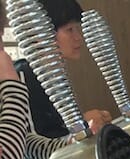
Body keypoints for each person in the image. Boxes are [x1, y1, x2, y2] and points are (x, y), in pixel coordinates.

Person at [14, 0, 111, 138]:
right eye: (70, 30)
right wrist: (83, 123)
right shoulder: (24, 75)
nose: (78, 37)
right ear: (43, 32)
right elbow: (36, 143)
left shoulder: (58, 76)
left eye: (78, 29)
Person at [0, 2, 69, 159]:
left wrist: (70, 145)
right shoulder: (18, 76)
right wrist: (10, 81)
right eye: (70, 30)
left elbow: (24, 143)